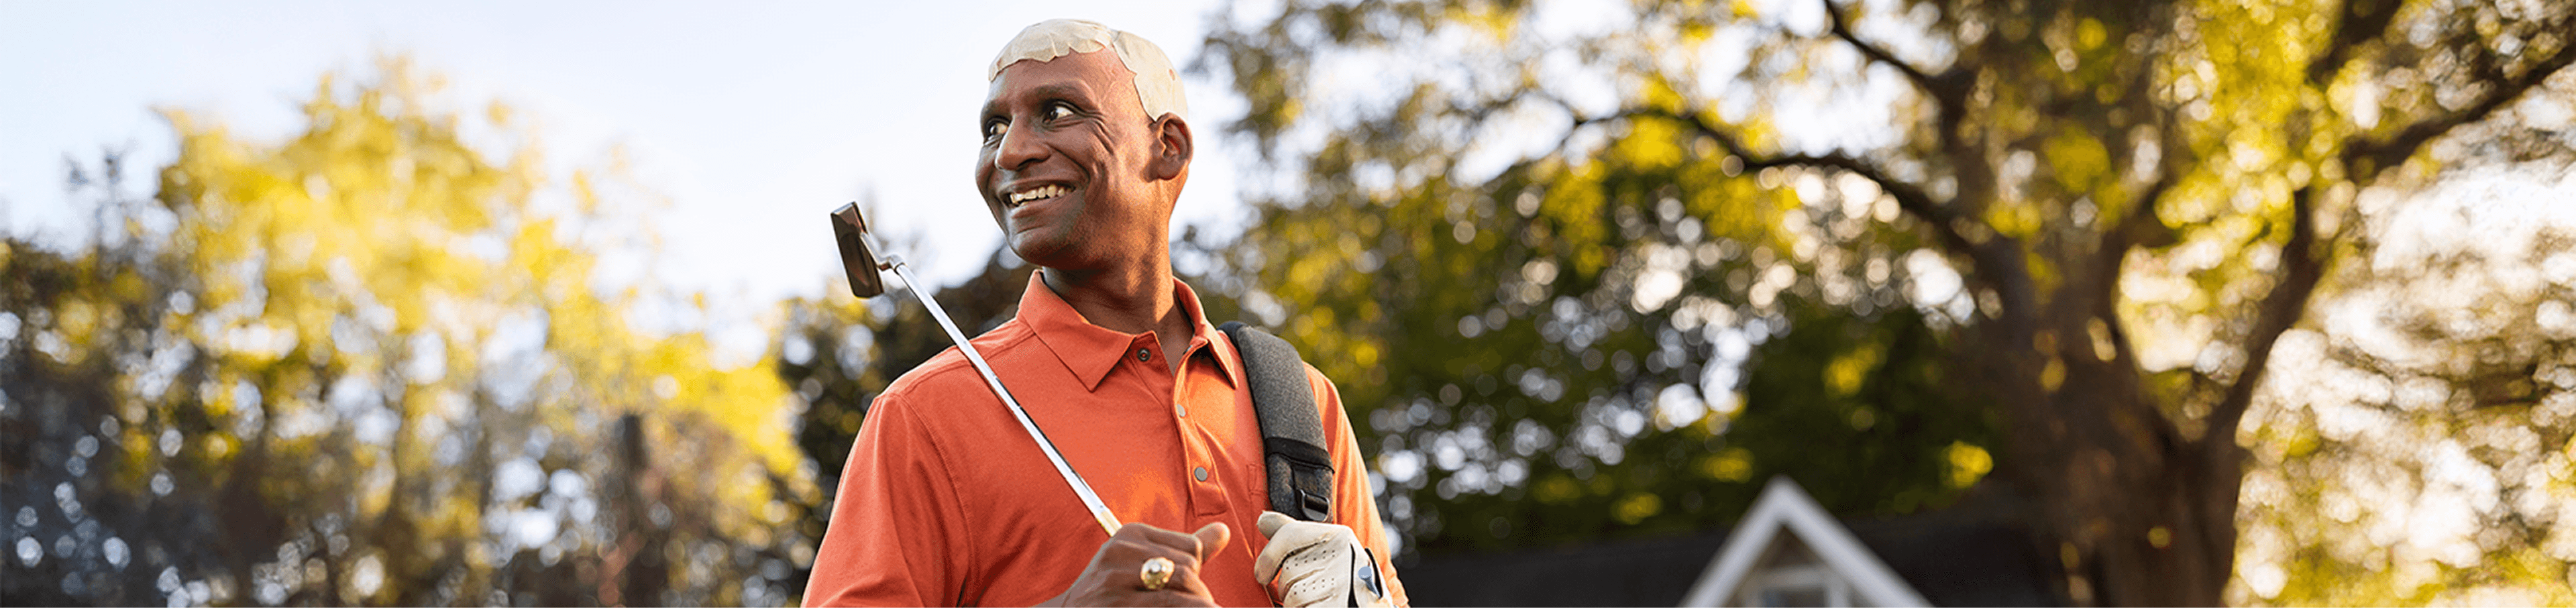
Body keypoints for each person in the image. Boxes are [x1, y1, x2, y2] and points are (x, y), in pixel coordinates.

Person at [802, 19, 1409, 608]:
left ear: (1167, 147)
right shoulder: (923, 416)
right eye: (993, 128)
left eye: (1058, 112)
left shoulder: (1299, 396)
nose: (1010, 152)